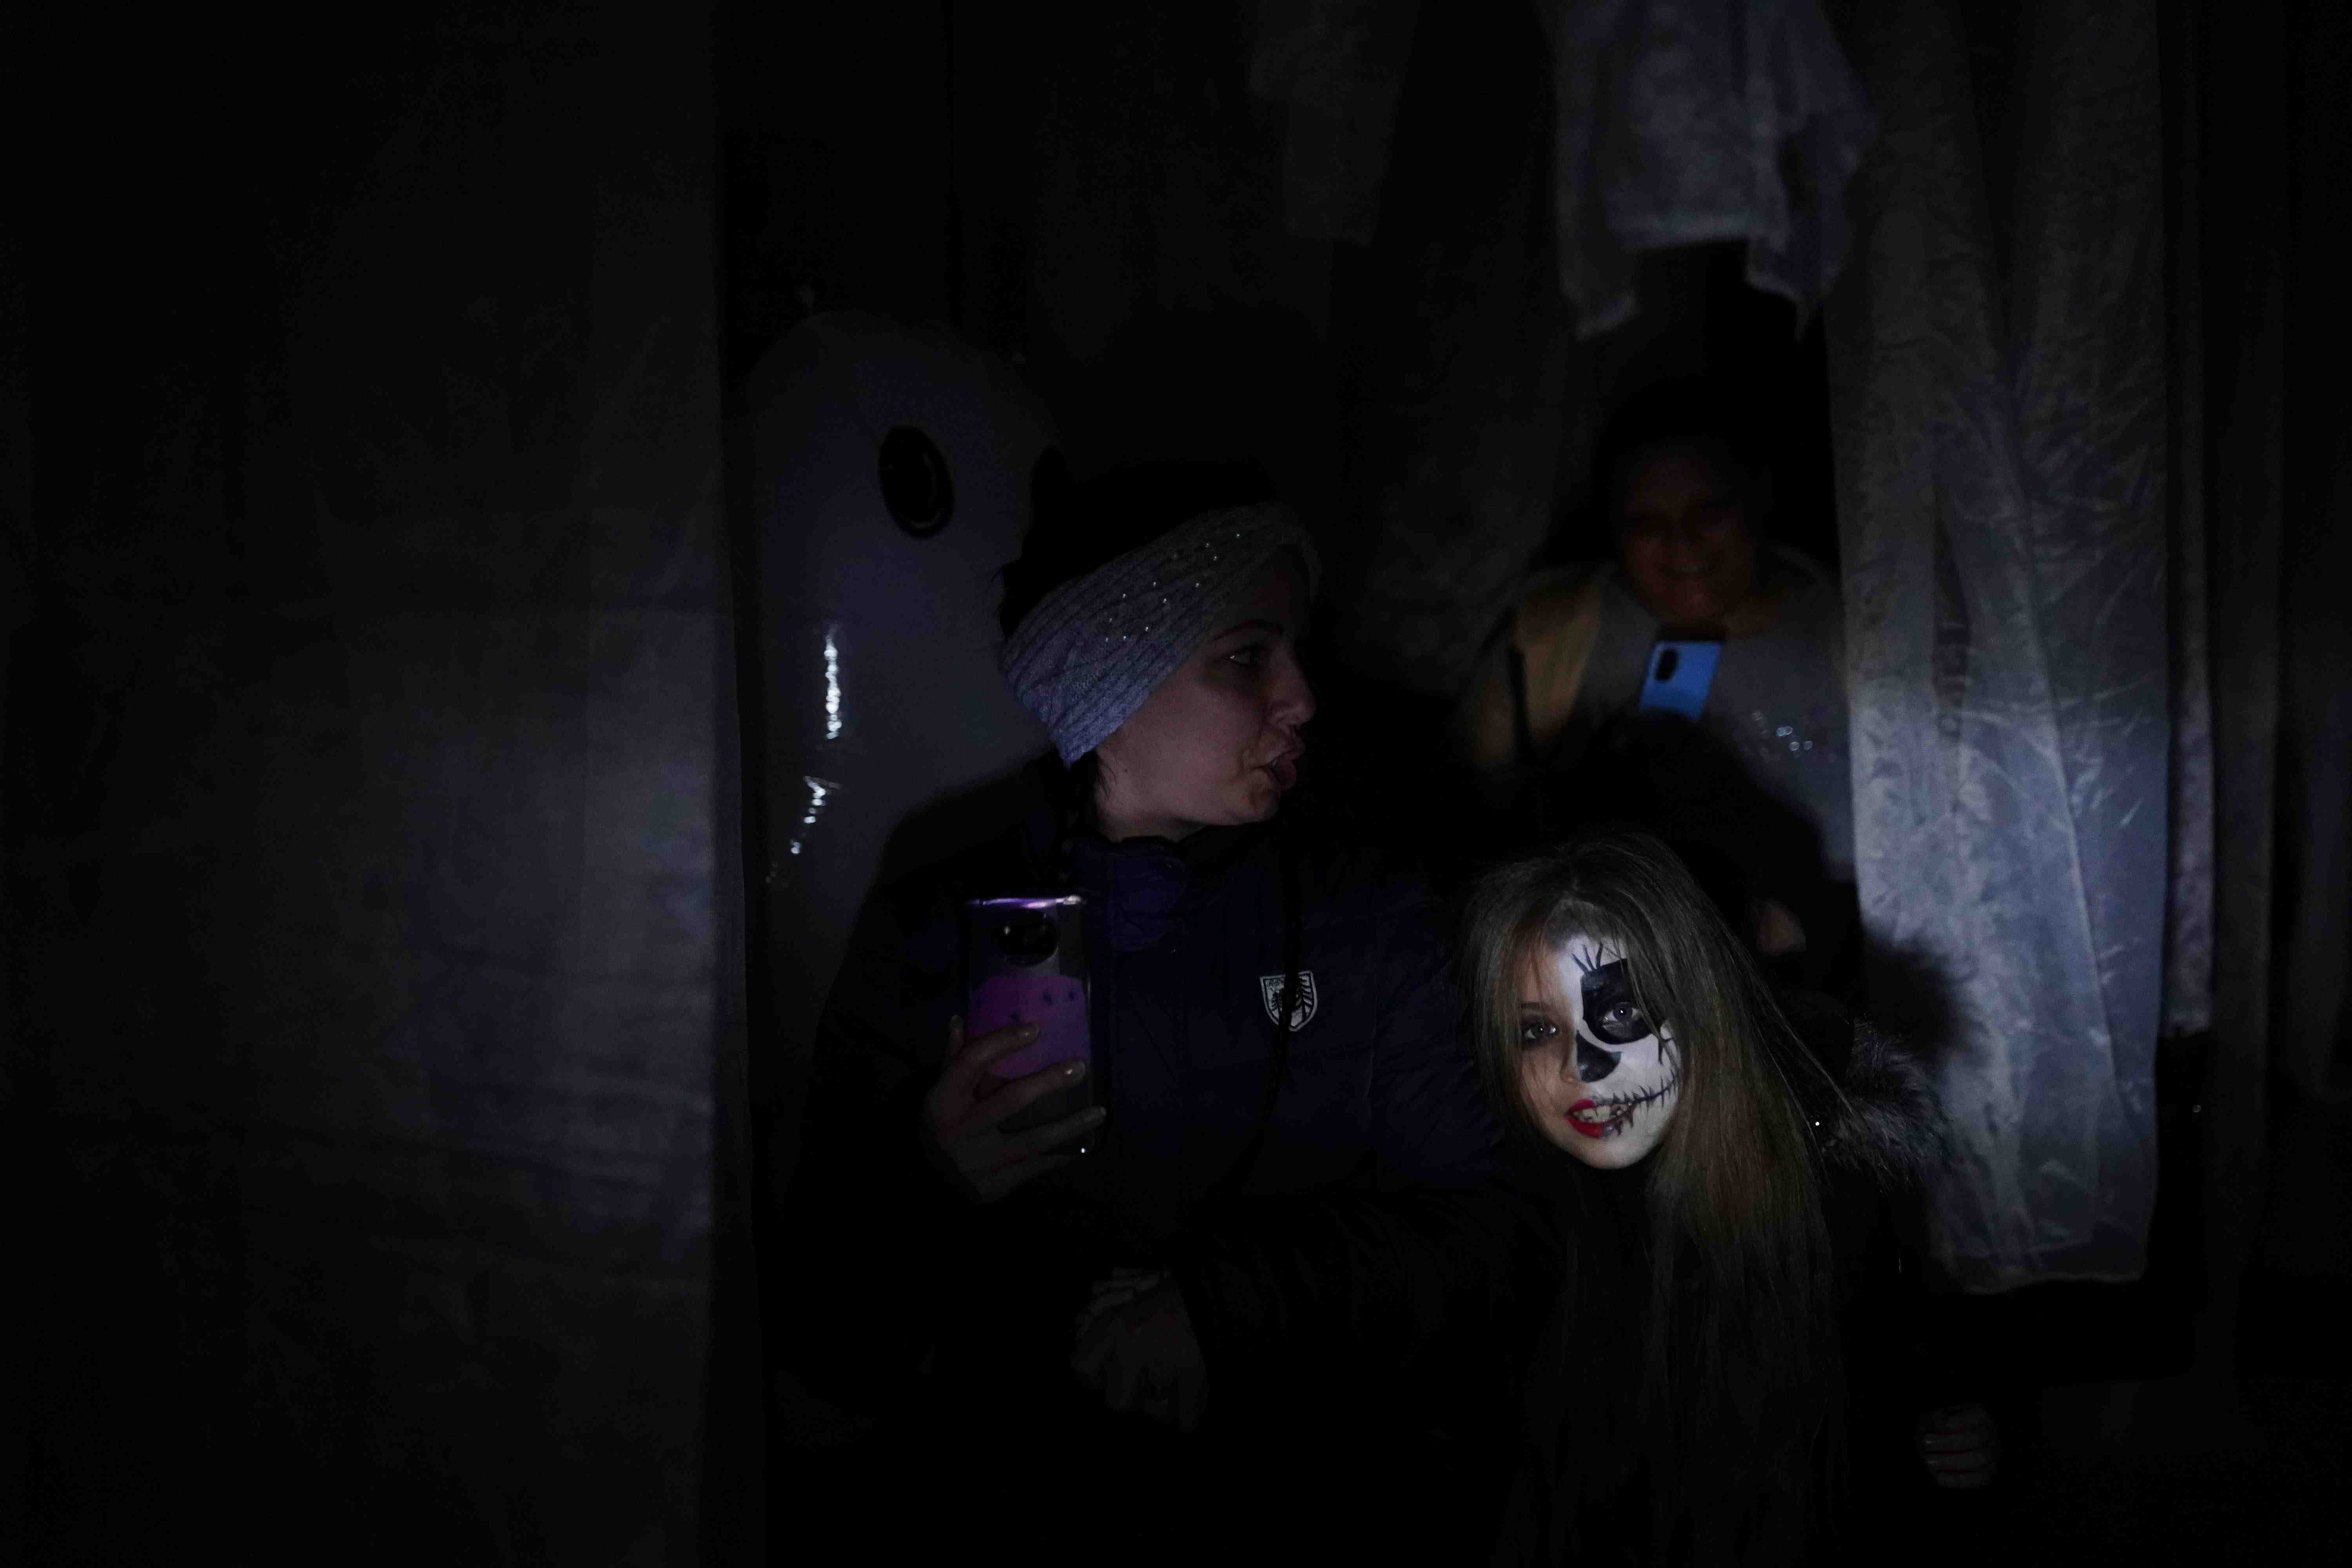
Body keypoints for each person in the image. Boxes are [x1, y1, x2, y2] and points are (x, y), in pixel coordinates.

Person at [777, 459, 1528, 1555]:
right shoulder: (936, 917)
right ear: (1108, 680)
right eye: (1246, 658)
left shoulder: (1367, 903)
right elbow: (823, 1345)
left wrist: (1228, 1307)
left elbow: (1494, 1235)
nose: (1302, 697)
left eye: (1296, 650)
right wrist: (929, 1179)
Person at [1459, 828, 1950, 1565]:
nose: (1581, 1068)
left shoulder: (1830, 1207)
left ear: (1702, 1011)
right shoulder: (1508, 1235)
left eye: (1620, 1015)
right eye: (1536, 1030)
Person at [1453, 379, 1854, 984]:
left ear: (1759, 495)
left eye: (1709, 513)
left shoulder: (1852, 625)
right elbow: (1476, 811)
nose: (1682, 543)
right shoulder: (1549, 634)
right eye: (1647, 523)